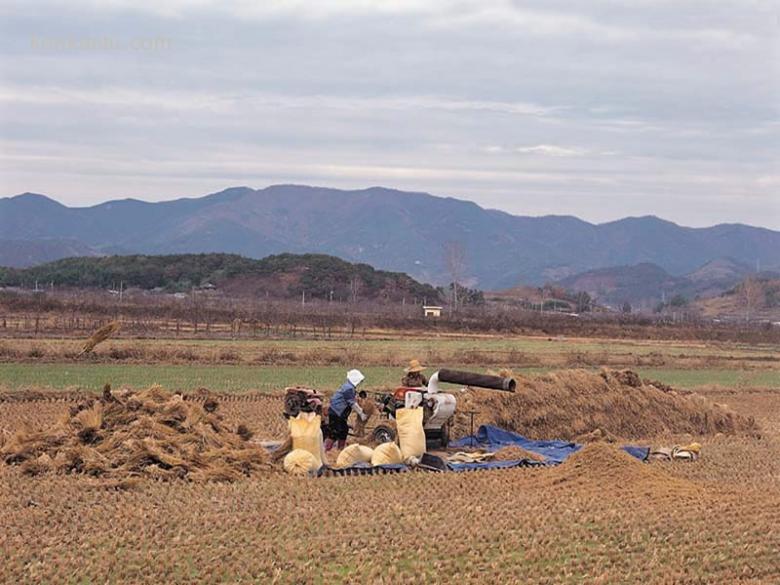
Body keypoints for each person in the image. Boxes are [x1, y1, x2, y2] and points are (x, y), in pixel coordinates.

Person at [325, 369, 367, 451]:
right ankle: (326, 451)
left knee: (344, 431)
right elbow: (352, 403)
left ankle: (340, 450)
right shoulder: (348, 388)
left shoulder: (350, 387)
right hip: (336, 412)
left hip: (341, 414)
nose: (359, 383)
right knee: (334, 432)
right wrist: (361, 413)